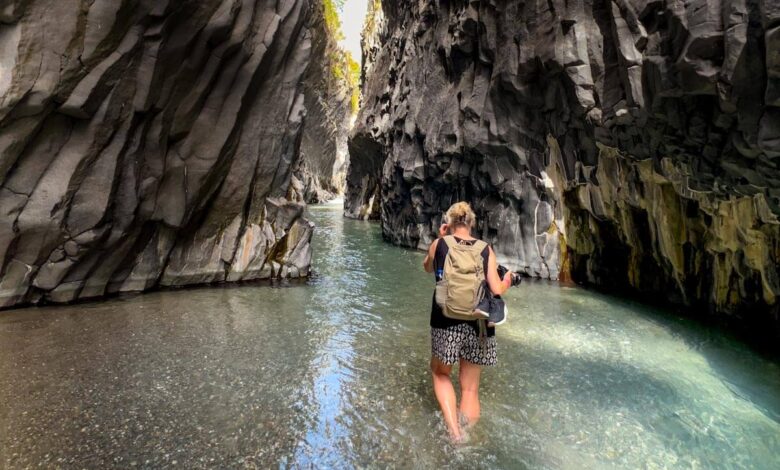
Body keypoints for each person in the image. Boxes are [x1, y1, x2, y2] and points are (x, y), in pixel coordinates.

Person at [422, 201, 513, 442]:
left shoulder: (439, 244)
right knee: (470, 389)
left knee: (441, 374)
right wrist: (509, 280)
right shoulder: (485, 249)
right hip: (479, 323)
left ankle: (454, 432)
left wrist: (439, 239)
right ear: (471, 223)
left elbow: (427, 267)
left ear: (449, 223)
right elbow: (497, 289)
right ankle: (469, 437)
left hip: (445, 320)